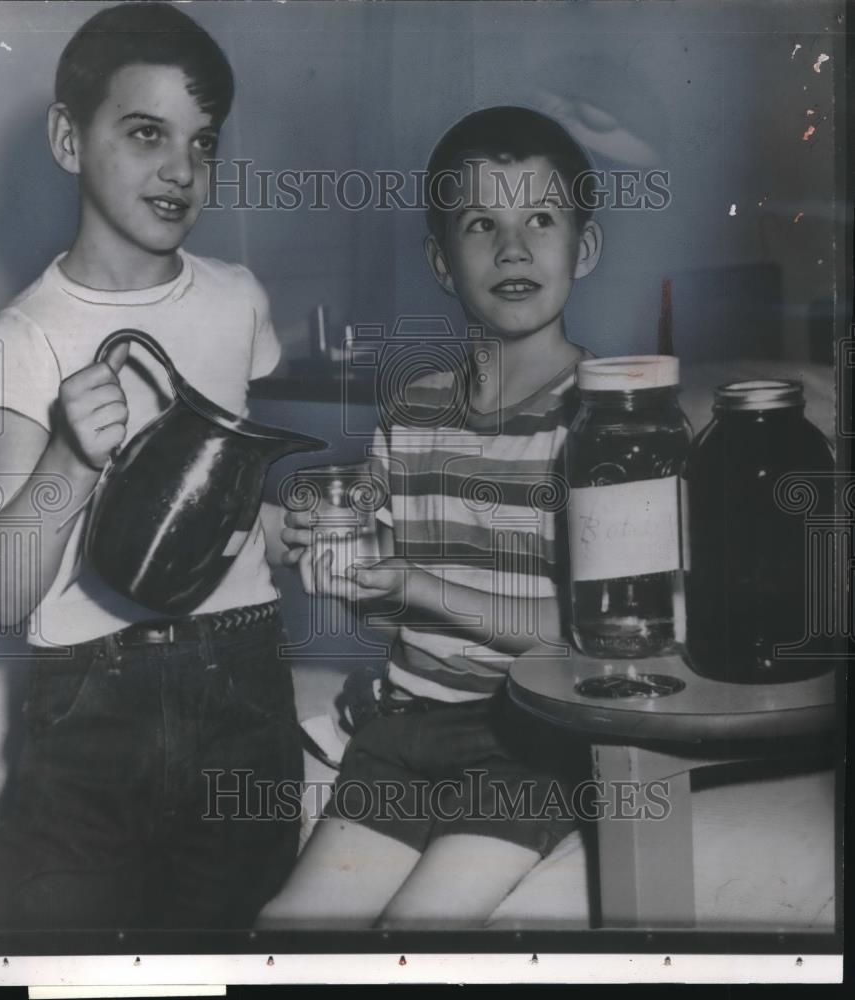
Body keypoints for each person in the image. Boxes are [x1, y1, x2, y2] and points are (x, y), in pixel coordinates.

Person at [0, 2, 302, 930]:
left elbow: (219, 506)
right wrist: (71, 459)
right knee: (68, 951)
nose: (181, 169)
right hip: (90, 699)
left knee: (238, 943)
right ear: (68, 138)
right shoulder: (24, 337)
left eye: (203, 142)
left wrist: (284, 523)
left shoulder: (237, 302)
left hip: (244, 677)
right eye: (145, 132)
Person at [259, 106, 604, 929]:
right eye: (480, 223)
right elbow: (386, 591)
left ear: (582, 249)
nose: (512, 247)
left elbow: (591, 637)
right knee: (284, 934)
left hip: (529, 745)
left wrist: (418, 584)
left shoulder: (606, 423)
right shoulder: (410, 413)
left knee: (412, 938)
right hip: (402, 730)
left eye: (541, 219)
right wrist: (346, 568)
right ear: (441, 262)